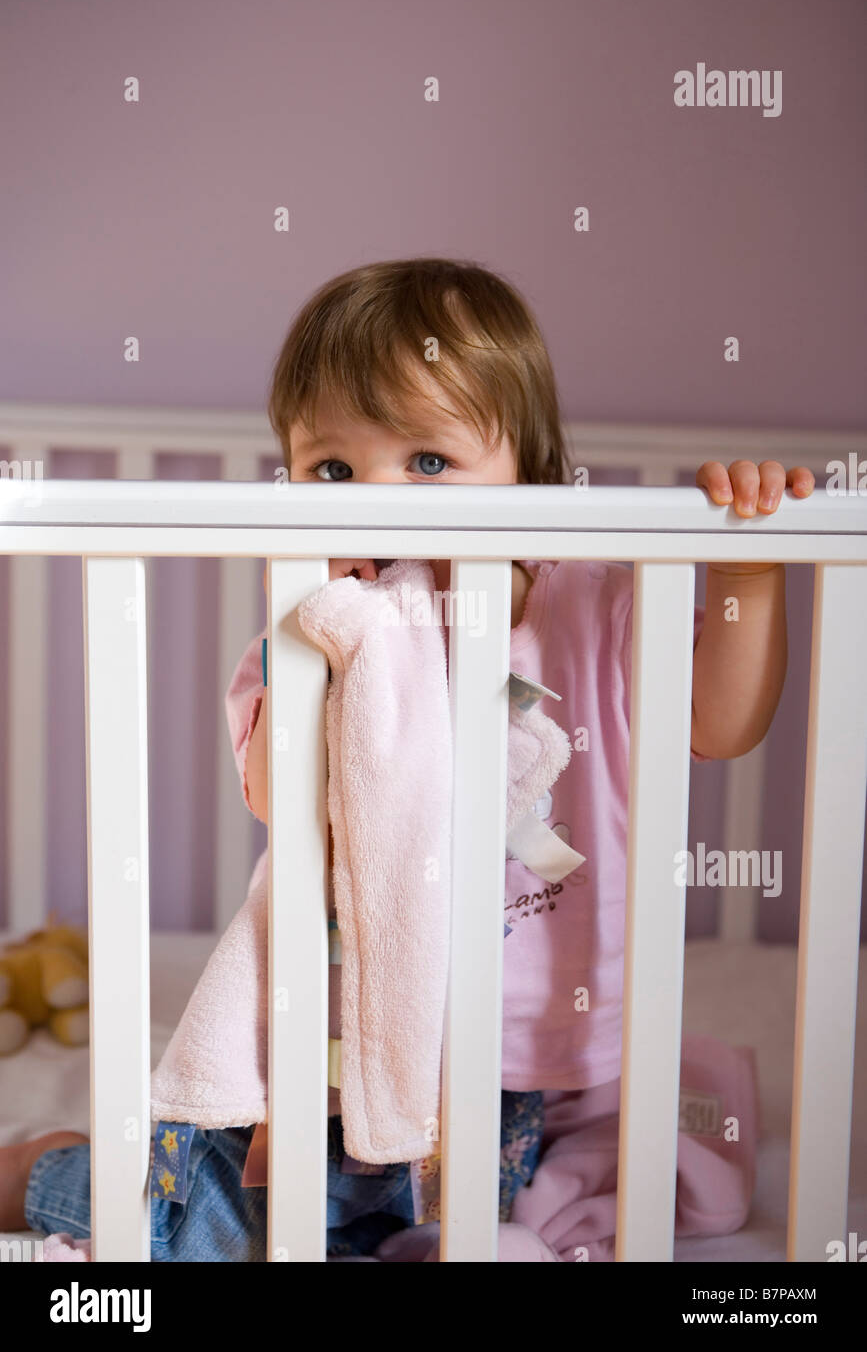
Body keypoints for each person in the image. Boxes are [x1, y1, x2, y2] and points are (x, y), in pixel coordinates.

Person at [2, 257, 815, 1259]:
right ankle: (49, 1168)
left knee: (425, 1228)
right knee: (204, 1234)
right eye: (334, 470)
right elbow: (275, 795)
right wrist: (329, 644)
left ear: (536, 470)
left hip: (503, 1053)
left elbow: (722, 722)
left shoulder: (600, 604)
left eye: (427, 460)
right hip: (330, 1037)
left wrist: (749, 570)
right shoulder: (318, 629)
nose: (377, 496)